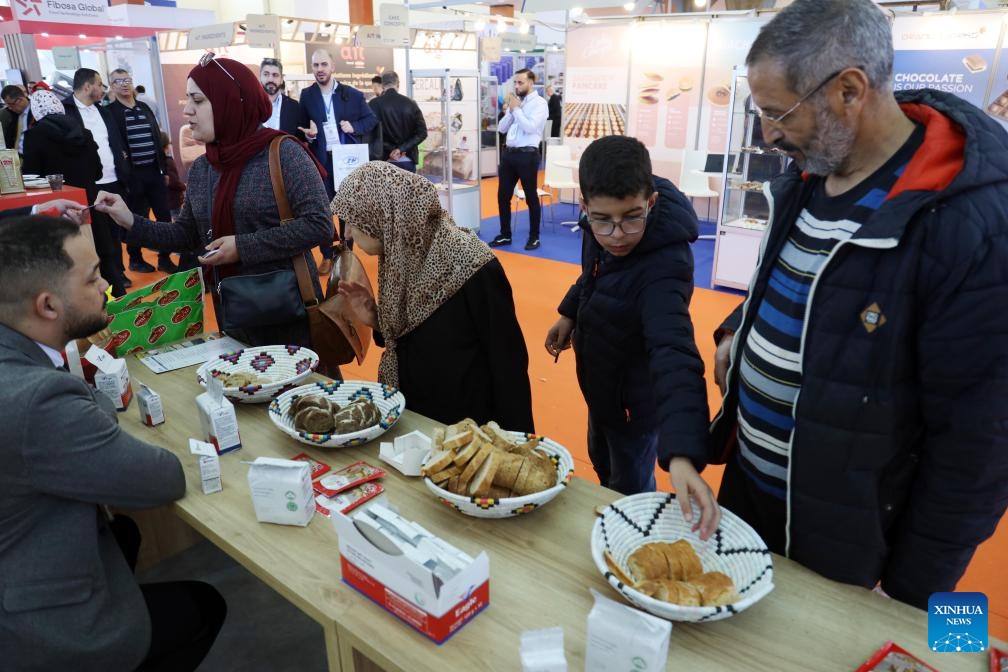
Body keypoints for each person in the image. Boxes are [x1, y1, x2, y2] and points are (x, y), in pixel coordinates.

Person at [709, 0, 1008, 608]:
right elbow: (803, 280)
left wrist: (912, 593)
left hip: (849, 537)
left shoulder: (969, 221)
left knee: (859, 647)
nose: (769, 134)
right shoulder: (809, 174)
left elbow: (980, 444)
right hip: (751, 491)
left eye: (779, 113)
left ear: (849, 90)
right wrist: (739, 331)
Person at [0, 215, 225, 671]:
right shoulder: (38, 401)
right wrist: (81, 406)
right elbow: (162, 477)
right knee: (204, 606)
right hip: (37, 630)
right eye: (92, 278)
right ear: (48, 305)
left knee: (126, 531)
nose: (106, 286)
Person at [95, 54, 333, 349]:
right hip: (233, 315)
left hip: (289, 318)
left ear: (229, 102)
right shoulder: (203, 168)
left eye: (198, 100)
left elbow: (319, 225)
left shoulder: (284, 153)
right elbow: (186, 235)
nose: (187, 110)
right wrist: (129, 219)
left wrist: (243, 247)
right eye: (188, 100)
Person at [543, 136, 715, 523]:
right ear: (584, 207)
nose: (617, 235)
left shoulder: (665, 266)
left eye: (632, 217)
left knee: (630, 492)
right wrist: (570, 312)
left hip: (635, 406)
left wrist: (683, 451)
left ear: (651, 202)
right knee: (603, 464)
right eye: (602, 220)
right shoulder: (599, 225)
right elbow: (595, 275)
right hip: (602, 385)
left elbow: (674, 350)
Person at [331, 161, 534, 432]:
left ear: (384, 215)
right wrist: (376, 320)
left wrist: (516, 441)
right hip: (410, 417)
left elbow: (508, 365)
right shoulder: (400, 253)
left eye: (353, 221)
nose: (346, 233)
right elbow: (417, 336)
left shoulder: (472, 265)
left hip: (464, 430)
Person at [298, 47, 379, 274]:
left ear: (332, 67)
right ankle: (326, 254)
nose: (320, 69)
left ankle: (346, 254)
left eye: (324, 64)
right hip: (321, 162)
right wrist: (308, 135)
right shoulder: (307, 95)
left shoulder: (351, 94)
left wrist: (354, 126)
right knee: (323, 210)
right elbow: (301, 128)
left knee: (346, 210)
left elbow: (371, 119)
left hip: (346, 162)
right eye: (316, 65)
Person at [63, 68, 130, 297]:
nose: (103, 89)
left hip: (114, 179)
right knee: (96, 236)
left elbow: (115, 141)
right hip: (87, 184)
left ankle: (118, 273)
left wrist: (124, 168)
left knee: (115, 231)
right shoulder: (66, 111)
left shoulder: (104, 111)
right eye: (100, 84)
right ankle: (100, 280)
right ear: (87, 86)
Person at [107, 68, 176, 274]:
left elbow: (157, 138)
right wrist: (124, 176)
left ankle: (165, 258)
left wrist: (164, 170)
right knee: (134, 218)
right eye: (119, 81)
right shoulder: (110, 112)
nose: (124, 84)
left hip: (154, 171)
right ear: (112, 86)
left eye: (127, 80)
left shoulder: (144, 107)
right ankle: (135, 259)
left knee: (164, 216)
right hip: (132, 175)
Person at [490, 68, 549, 251]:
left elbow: (530, 127)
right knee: (503, 196)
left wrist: (516, 109)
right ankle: (505, 234)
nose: (516, 85)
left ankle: (534, 237)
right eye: (515, 82)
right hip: (509, 155)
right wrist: (511, 110)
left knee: (531, 197)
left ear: (531, 83)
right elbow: (501, 128)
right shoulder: (516, 102)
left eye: (520, 82)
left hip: (528, 155)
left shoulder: (540, 104)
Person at [22, 90, 102, 204]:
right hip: (89, 200)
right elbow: (98, 173)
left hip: (56, 203)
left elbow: (31, 176)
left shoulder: (33, 136)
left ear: (35, 111)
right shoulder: (85, 133)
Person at [367, 71, 427, 173]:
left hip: (383, 160)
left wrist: (391, 149)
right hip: (407, 159)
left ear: (382, 85)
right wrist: (400, 149)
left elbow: (369, 134)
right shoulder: (411, 104)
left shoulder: (373, 104)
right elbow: (422, 133)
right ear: (398, 84)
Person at [260, 57, 302, 135]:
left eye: (275, 75)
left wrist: (309, 137)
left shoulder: (294, 107)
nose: (270, 79)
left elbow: (300, 137)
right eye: (266, 74)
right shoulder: (250, 106)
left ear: (282, 79)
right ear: (260, 77)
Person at [0, 85, 32, 154]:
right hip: (13, 155)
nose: (10, 108)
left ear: (19, 100)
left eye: (10, 104)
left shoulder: (36, 113)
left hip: (29, 155)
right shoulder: (11, 114)